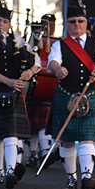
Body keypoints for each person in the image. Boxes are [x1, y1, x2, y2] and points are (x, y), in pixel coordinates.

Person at [48, 2, 95, 189]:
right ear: (66, 24)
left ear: (86, 24)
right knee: (67, 140)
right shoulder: (60, 45)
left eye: (80, 21)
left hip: (89, 96)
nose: (76, 24)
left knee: (87, 138)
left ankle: (87, 175)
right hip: (66, 97)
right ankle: (71, 178)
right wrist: (57, 69)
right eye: (72, 21)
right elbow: (53, 62)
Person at [0, 5, 39, 189]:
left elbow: (37, 63)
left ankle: (10, 171)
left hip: (13, 94)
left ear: (9, 24)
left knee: (11, 134)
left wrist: (29, 73)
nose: (0, 25)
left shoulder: (17, 40)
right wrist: (8, 81)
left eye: (4, 21)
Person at [26, 14, 59, 168]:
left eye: (52, 24)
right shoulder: (34, 41)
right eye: (47, 24)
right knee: (33, 122)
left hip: (51, 84)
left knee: (44, 121)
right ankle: (35, 153)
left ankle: (44, 151)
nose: (49, 27)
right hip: (36, 83)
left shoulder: (59, 43)